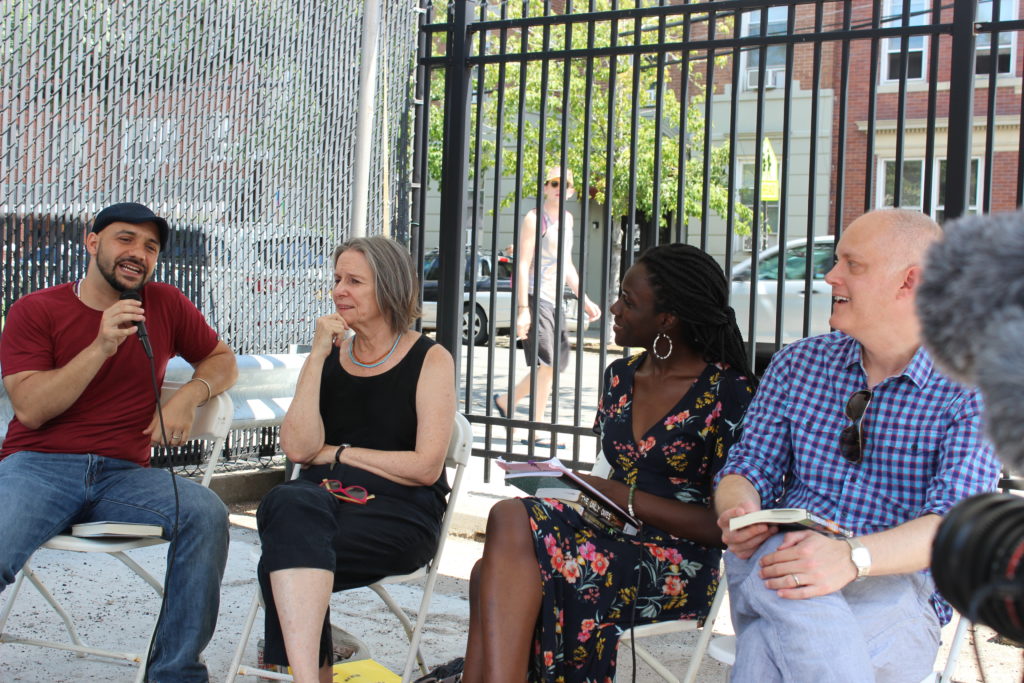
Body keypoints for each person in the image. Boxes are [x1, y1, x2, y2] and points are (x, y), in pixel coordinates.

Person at [443, 244, 756, 683]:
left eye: (628, 301)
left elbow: (721, 528)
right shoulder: (619, 377)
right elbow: (610, 477)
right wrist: (574, 487)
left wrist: (620, 495)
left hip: (674, 564)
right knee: (507, 520)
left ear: (667, 319)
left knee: (496, 571)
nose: (613, 308)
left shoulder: (730, 393)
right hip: (605, 530)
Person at [714, 208, 1002, 682]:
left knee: (769, 649)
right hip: (784, 555)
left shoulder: (972, 387)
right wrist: (739, 505)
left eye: (853, 264)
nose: (830, 276)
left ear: (910, 282)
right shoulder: (798, 364)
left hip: (895, 584)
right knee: (786, 561)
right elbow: (748, 465)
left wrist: (851, 557)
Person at [0, 202, 238, 681]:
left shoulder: (165, 303)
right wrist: (101, 344)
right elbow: (31, 408)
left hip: (124, 477)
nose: (139, 253)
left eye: (150, 247)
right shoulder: (35, 309)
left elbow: (221, 359)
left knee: (206, 512)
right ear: (93, 243)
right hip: (38, 466)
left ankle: (175, 674)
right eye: (125, 239)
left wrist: (189, 395)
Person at [256, 235, 456, 683]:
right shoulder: (330, 356)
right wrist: (315, 357)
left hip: (398, 512)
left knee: (285, 555)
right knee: (289, 506)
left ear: (388, 288)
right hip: (322, 500)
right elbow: (298, 448)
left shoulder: (429, 359)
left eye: (354, 281)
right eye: (337, 280)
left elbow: (425, 467)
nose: (338, 290)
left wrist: (341, 453)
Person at [493, 168, 601, 443]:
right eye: (553, 183)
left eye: (564, 184)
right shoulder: (534, 219)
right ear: (545, 187)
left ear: (571, 191)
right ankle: (535, 425)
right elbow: (523, 263)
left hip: (555, 298)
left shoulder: (567, 219)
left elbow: (566, 264)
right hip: (534, 295)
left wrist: (584, 298)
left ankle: (508, 401)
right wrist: (522, 310)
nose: (558, 188)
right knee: (546, 362)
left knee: (553, 365)